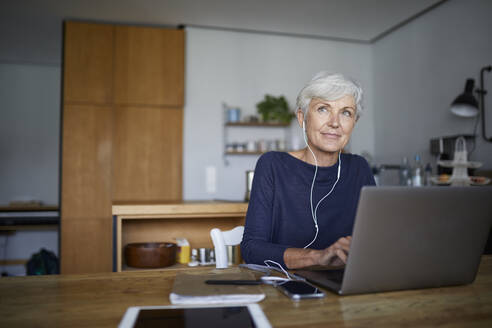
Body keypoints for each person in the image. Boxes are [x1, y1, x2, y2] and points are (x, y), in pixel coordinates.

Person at [240, 71, 375, 270]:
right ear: (302, 118)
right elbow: (252, 250)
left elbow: (376, 242)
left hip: (346, 285)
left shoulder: (359, 168)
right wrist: (318, 257)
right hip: (286, 287)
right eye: (323, 109)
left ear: (353, 123)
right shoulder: (272, 165)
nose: (335, 123)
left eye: (346, 112)